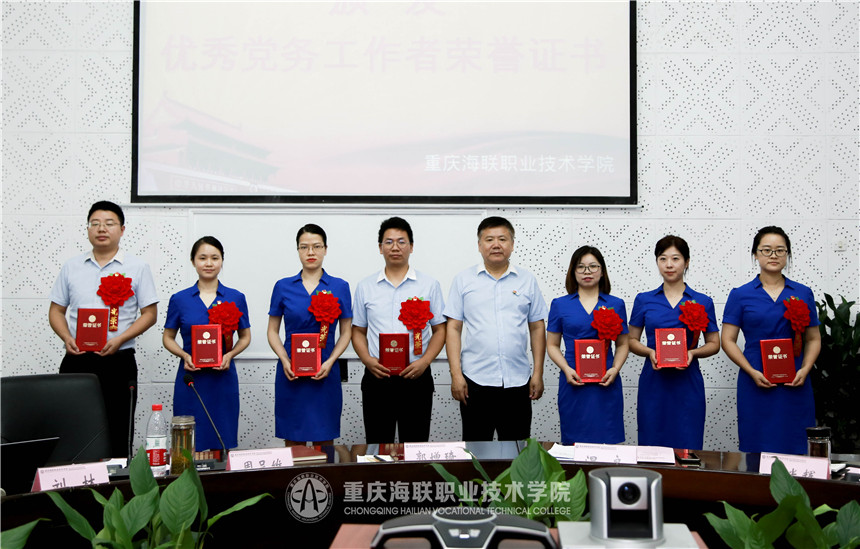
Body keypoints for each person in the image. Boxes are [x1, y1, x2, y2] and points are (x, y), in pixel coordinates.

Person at [49, 200, 159, 457]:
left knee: (118, 428)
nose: (101, 229)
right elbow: (56, 310)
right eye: (95, 223)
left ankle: (116, 478)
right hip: (77, 359)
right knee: (72, 427)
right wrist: (66, 337)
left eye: (109, 223)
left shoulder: (137, 267)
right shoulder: (71, 267)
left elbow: (150, 314)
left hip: (118, 360)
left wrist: (120, 338)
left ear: (122, 230)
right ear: (88, 229)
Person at [445, 216, 548, 441]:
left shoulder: (527, 280)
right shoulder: (463, 280)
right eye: (489, 239)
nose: (496, 245)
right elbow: (453, 328)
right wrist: (456, 375)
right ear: (479, 245)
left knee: (517, 451)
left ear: (512, 244)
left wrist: (538, 373)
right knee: (476, 449)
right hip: (474, 381)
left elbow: (537, 327)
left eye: (502, 239)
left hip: (517, 381)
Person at [722, 226, 821, 455]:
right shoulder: (740, 294)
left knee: (795, 445)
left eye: (780, 250)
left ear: (787, 254)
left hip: (795, 380)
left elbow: (814, 338)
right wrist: (750, 371)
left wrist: (805, 369)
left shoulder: (803, 293)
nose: (773, 255)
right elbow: (727, 339)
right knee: (757, 447)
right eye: (766, 250)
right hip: (755, 378)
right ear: (755, 254)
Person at [352, 217, 446, 443]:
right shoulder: (365, 286)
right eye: (389, 242)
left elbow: (440, 330)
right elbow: (357, 331)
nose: (395, 247)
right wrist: (367, 360)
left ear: (411, 247)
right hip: (378, 377)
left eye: (401, 241)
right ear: (380, 247)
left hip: (416, 377)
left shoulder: (429, 285)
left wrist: (424, 362)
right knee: (377, 445)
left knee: (415, 446)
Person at [628, 236, 720, 450]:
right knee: (652, 444)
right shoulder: (644, 299)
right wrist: (649, 352)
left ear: (687, 262)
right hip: (654, 381)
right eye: (663, 259)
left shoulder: (702, 301)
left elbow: (714, 343)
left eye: (675, 258)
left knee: (687, 443)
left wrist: (693, 353)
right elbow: (631, 340)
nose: (669, 264)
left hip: (687, 382)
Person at [163, 236, 251, 453]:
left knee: (221, 440)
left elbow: (245, 336)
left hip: (222, 379)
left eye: (215, 258)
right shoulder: (180, 299)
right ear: (193, 261)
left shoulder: (235, 297)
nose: (209, 263)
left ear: (222, 261)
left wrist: (230, 355)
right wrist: (184, 355)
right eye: (202, 258)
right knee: (188, 443)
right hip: (191, 379)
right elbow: (168, 337)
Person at [268, 224, 353, 446]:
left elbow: (346, 332)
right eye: (304, 247)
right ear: (297, 250)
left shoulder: (339, 286)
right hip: (291, 372)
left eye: (317, 246)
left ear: (325, 249)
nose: (311, 252)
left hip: (325, 372)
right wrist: (284, 360)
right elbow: (272, 331)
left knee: (324, 443)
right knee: (293, 441)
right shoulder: (283, 286)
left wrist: (331, 361)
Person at [547, 246, 629, 445]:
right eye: (581, 267)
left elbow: (623, 344)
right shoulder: (560, 304)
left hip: (606, 380)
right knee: (574, 442)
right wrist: (566, 369)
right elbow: (552, 344)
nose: (587, 271)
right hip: (573, 379)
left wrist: (615, 369)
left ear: (602, 271)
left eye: (593, 266)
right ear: (573, 271)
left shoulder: (616, 304)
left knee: (606, 443)